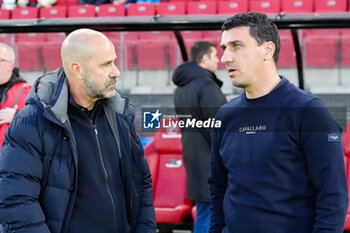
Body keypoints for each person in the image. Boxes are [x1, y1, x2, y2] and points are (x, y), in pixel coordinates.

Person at [0, 29, 156, 233]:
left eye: (114, 61)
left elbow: (141, 182)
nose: (116, 71)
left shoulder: (121, 116)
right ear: (77, 69)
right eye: (106, 64)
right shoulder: (32, 122)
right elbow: (16, 200)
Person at [209, 12, 348, 233]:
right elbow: (218, 188)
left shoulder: (308, 111)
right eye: (224, 48)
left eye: (236, 46)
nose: (225, 58)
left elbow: (333, 195)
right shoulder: (225, 116)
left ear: (267, 50)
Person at [172, 41, 227, 233]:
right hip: (209, 161)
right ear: (204, 59)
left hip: (194, 158)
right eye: (214, 56)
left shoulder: (182, 87)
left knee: (205, 211)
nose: (218, 60)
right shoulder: (207, 87)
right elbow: (218, 130)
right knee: (211, 213)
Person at [0, 43, 31, 152]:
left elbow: (42, 126)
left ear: (11, 65)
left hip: (13, 163)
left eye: (0, 60)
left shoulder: (28, 92)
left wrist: (17, 116)